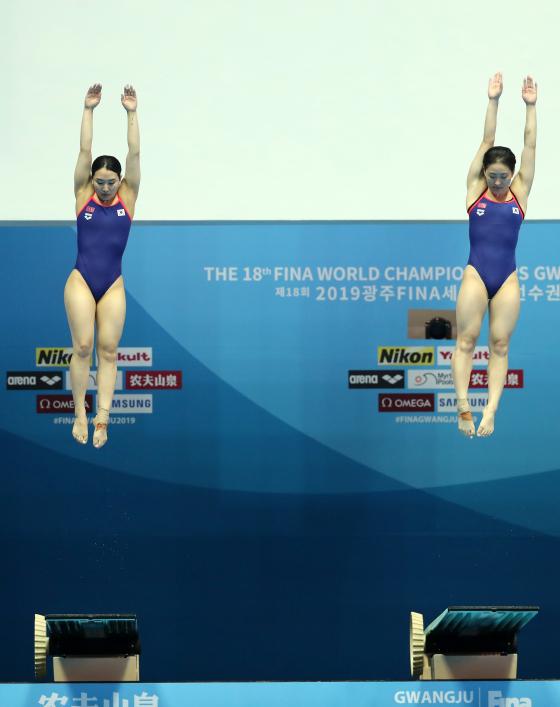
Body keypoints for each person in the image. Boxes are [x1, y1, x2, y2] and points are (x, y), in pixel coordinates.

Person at [452, 72, 536, 437]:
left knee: (500, 344)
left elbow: (530, 145)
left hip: (507, 279)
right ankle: (463, 406)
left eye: (503, 176)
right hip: (476, 273)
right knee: (466, 341)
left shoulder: (520, 192)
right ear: (483, 173)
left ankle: (490, 410)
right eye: (492, 176)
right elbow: (487, 139)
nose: (498, 183)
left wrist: (530, 107)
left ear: (512, 174)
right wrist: (493, 101)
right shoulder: (476, 191)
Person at [64, 83, 140, 447]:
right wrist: (88, 109)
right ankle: (80, 413)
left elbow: (135, 152)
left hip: (112, 284)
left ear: (120, 181)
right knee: (82, 347)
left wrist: (131, 113)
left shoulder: (128, 196)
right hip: (81, 280)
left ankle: (103, 418)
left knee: (108, 351)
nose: (106, 188)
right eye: (100, 182)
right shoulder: (83, 195)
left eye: (111, 182)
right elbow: (85, 150)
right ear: (91, 181)